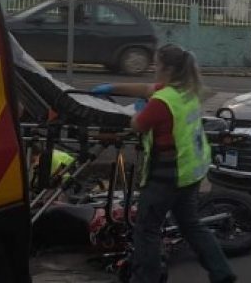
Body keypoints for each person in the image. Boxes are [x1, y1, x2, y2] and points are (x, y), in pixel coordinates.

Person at [90, 45, 235, 283]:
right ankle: (222, 273)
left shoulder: (161, 102)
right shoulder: (185, 91)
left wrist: (139, 110)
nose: (153, 69)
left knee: (147, 231)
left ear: (167, 69)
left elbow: (137, 125)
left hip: (166, 176)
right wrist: (112, 88)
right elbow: (146, 88)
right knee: (191, 225)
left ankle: (147, 279)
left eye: (156, 65)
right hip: (190, 173)